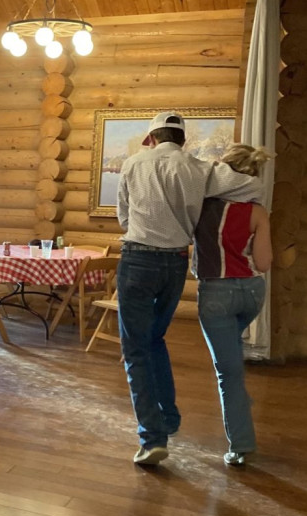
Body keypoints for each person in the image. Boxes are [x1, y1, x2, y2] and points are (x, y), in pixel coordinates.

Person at [116, 112, 263, 465]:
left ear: (151, 137)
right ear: (182, 141)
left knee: (135, 350)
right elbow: (252, 187)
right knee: (155, 340)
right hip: (175, 264)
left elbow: (123, 218)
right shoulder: (199, 169)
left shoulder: (133, 164)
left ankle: (153, 437)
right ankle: (167, 417)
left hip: (137, 259)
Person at [193, 144, 272, 466]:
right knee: (231, 358)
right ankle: (240, 401)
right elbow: (264, 263)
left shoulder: (203, 206)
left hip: (216, 294)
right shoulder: (258, 212)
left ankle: (240, 446)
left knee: (229, 373)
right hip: (252, 292)